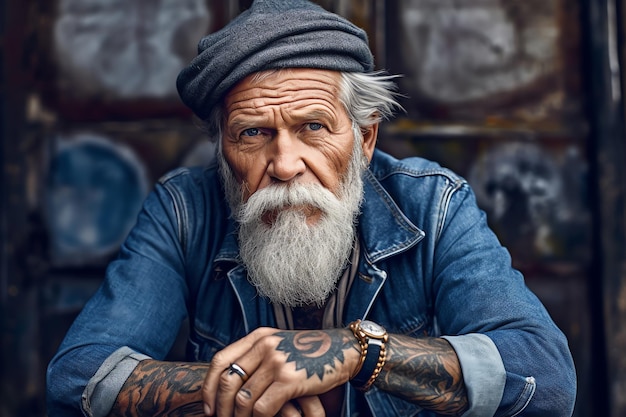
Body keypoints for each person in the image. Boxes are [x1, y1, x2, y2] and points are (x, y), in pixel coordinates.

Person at [46, 1, 577, 416]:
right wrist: (248, 389)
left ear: (365, 139)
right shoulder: (184, 210)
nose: (284, 164)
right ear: (224, 152)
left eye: (313, 128)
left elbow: (546, 380)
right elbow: (77, 378)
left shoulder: (434, 205)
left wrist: (356, 352)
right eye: (252, 134)